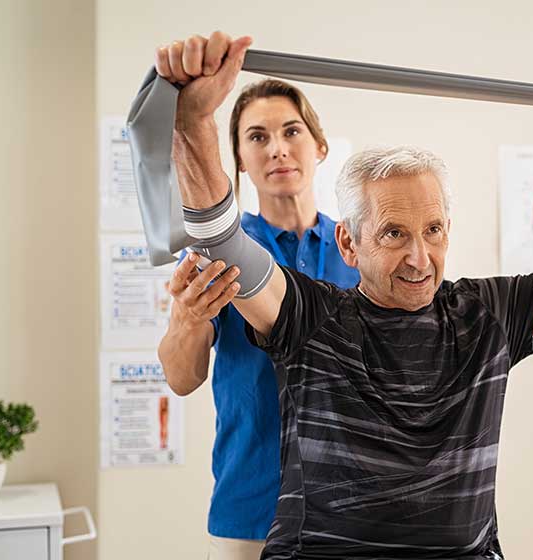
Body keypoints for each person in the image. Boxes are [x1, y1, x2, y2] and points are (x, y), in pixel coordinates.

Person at [162, 33, 533, 559]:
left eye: (434, 231)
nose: (419, 258)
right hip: (260, 500)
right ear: (354, 246)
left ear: (317, 145)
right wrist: (193, 120)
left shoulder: (477, 313)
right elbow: (216, 244)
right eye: (395, 234)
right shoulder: (297, 301)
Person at [155, 32, 363, 560]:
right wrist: (185, 318)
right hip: (250, 506)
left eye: (291, 131)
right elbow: (182, 378)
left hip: (358, 503)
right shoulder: (212, 253)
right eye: (257, 136)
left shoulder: (360, 251)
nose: (277, 148)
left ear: (319, 146)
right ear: (240, 160)